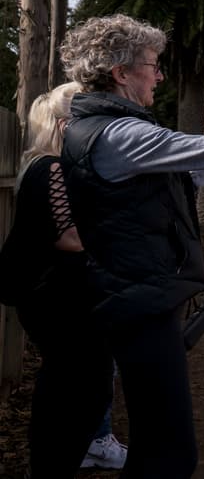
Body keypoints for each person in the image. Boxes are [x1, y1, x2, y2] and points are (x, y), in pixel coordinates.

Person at [59, 14, 204, 477]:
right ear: (121, 73)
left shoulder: (105, 130)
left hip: (133, 295)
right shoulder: (119, 134)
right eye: (153, 64)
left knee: (157, 440)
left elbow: (180, 178)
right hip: (139, 300)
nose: (160, 75)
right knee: (170, 449)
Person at [0, 82, 122, 476]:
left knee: (75, 383)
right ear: (63, 125)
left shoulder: (43, 164)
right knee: (80, 386)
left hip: (55, 296)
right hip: (55, 298)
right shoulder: (51, 166)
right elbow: (69, 237)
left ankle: (55, 462)